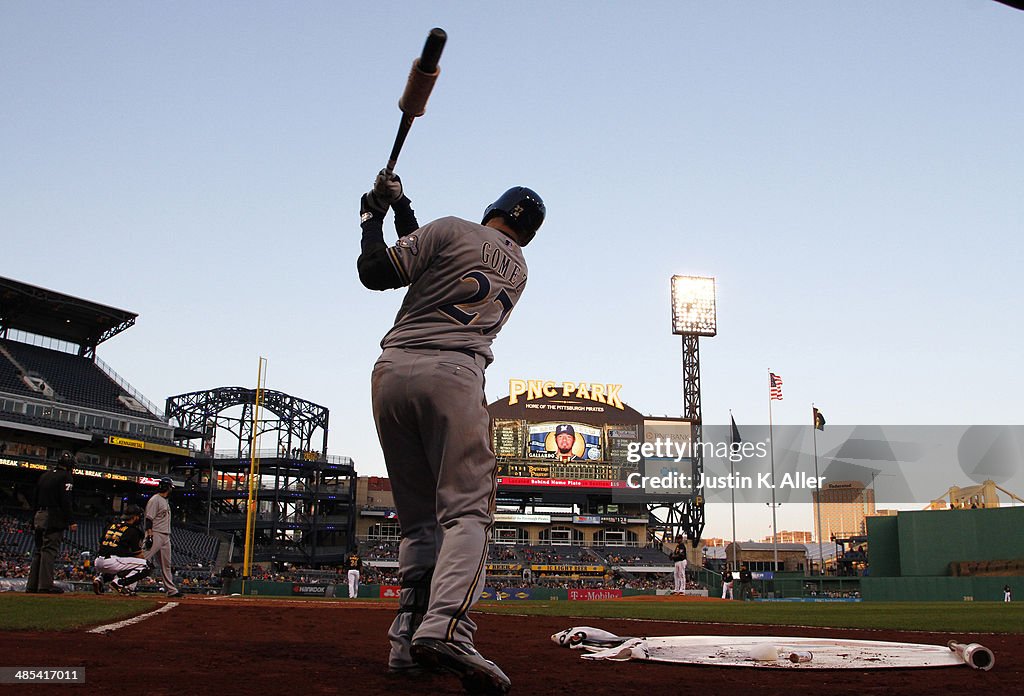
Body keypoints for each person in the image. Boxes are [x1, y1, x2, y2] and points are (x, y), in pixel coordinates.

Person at [358, 169, 544, 696]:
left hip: (392, 372)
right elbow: (433, 259)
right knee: (465, 512)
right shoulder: (522, 269)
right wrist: (400, 208)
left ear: (495, 206)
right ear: (527, 232)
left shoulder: (450, 228)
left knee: (418, 523)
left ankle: (405, 644)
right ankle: (447, 630)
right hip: (455, 374)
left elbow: (379, 271)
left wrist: (373, 214)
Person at [26, 450, 78, 594]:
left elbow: (34, 499)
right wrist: (71, 521)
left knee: (38, 550)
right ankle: (45, 585)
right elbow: (66, 501)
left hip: (39, 515)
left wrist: (34, 518)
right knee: (49, 550)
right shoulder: (66, 477)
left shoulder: (45, 475)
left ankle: (32, 585)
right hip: (53, 517)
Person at [93, 505, 152, 596]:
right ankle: (120, 583)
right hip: (112, 561)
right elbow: (138, 554)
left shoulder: (110, 525)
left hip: (98, 561)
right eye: (138, 516)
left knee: (121, 565)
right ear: (134, 517)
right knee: (147, 566)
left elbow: (101, 543)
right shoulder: (133, 530)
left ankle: (100, 580)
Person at [144, 477, 181, 598]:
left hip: (165, 535)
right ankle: (127, 585)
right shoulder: (155, 500)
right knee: (141, 560)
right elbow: (149, 519)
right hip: (155, 533)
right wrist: (149, 535)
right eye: (170, 487)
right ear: (167, 487)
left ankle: (171, 590)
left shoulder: (164, 500)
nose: (171, 490)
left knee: (166, 564)